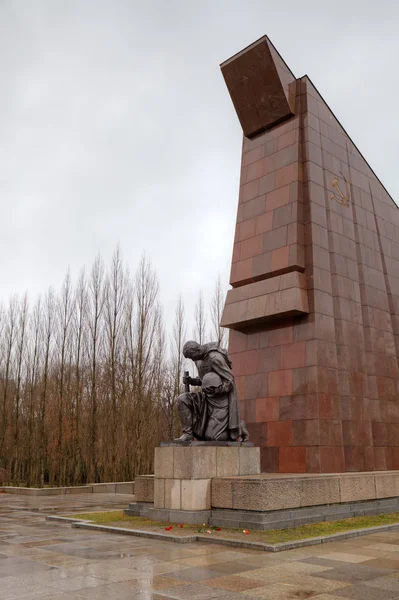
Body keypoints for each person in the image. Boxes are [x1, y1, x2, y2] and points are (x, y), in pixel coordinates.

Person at [174, 340, 249, 442]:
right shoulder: (198, 360)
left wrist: (217, 390)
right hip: (206, 398)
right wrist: (193, 381)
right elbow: (205, 381)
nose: (193, 360)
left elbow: (230, 381)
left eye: (192, 357)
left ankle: (239, 425)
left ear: (197, 351)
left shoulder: (215, 358)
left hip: (220, 401)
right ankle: (188, 434)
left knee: (214, 438)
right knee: (182, 399)